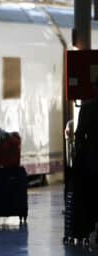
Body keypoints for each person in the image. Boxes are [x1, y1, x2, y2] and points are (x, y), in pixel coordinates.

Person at [73, 76, 98, 238]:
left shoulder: (88, 108)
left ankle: (90, 225)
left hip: (93, 156)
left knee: (91, 192)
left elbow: (79, 134)